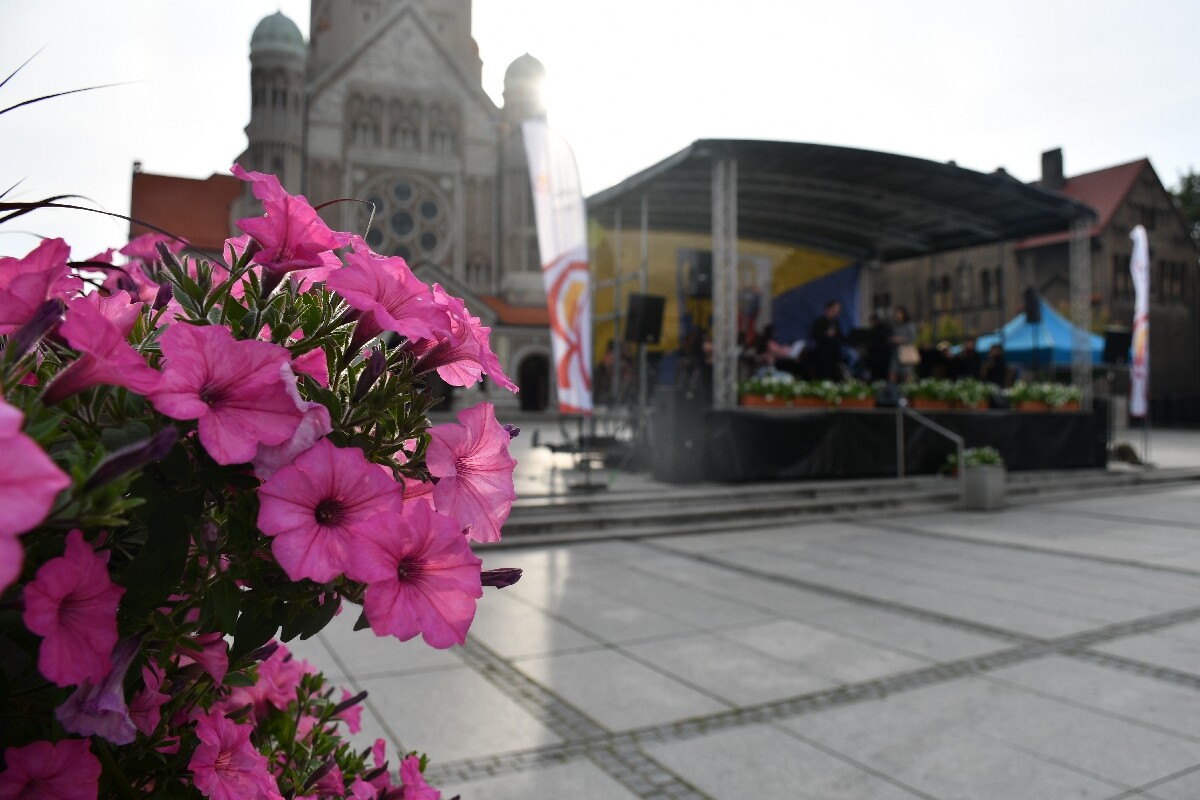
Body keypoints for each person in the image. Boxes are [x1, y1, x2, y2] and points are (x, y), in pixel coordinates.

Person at [808, 300, 845, 381]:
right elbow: (813, 335)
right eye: (835, 310)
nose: (837, 313)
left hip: (834, 356)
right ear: (828, 309)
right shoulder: (819, 322)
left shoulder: (836, 322)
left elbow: (841, 337)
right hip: (823, 356)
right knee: (824, 377)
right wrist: (825, 334)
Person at [889, 305, 917, 384]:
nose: (897, 315)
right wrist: (892, 340)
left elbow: (912, 338)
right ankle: (893, 392)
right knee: (892, 372)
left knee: (907, 374)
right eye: (896, 313)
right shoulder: (894, 325)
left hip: (906, 352)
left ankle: (907, 391)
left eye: (899, 313)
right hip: (895, 353)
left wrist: (901, 339)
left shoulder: (909, 325)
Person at [865, 312, 893, 382]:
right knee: (883, 377)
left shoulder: (876, 330)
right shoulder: (886, 328)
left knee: (876, 376)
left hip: (877, 358)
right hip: (884, 358)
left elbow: (873, 344)